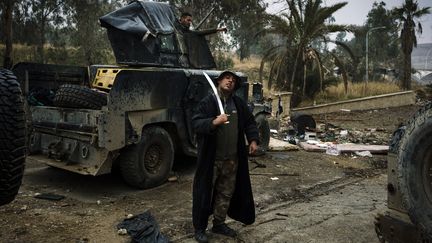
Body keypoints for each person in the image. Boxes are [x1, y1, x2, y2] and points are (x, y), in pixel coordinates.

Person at [191, 71, 259, 243]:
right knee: (204, 194)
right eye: (227, 78)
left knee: (225, 194)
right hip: (211, 160)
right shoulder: (208, 102)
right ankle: (200, 228)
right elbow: (196, 123)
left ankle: (219, 223)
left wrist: (253, 139)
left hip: (232, 160)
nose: (230, 81)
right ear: (219, 81)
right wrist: (214, 122)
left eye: (234, 80)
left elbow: (250, 122)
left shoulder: (238, 103)